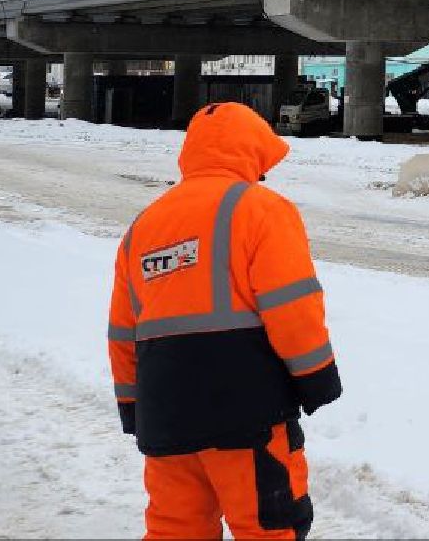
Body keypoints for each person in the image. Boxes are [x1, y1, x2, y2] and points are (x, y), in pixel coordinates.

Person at [109, 102, 342, 540]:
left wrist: (133, 406)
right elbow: (292, 305)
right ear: (252, 151)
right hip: (246, 414)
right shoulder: (262, 209)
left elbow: (123, 331)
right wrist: (317, 379)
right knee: (269, 527)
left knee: (175, 529)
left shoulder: (143, 226)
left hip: (166, 413)